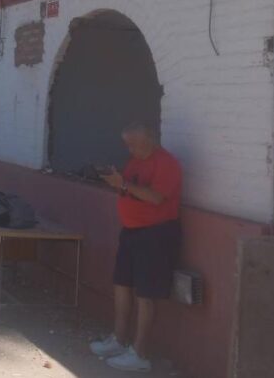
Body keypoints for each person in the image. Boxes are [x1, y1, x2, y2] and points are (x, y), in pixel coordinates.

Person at [90, 122, 182, 372]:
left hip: (156, 234)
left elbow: (156, 197)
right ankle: (119, 339)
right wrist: (115, 180)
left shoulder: (166, 163)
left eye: (135, 144)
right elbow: (128, 189)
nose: (130, 149)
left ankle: (140, 354)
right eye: (127, 144)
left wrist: (123, 184)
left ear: (150, 139)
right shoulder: (135, 162)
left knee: (145, 294)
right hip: (131, 231)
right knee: (121, 284)